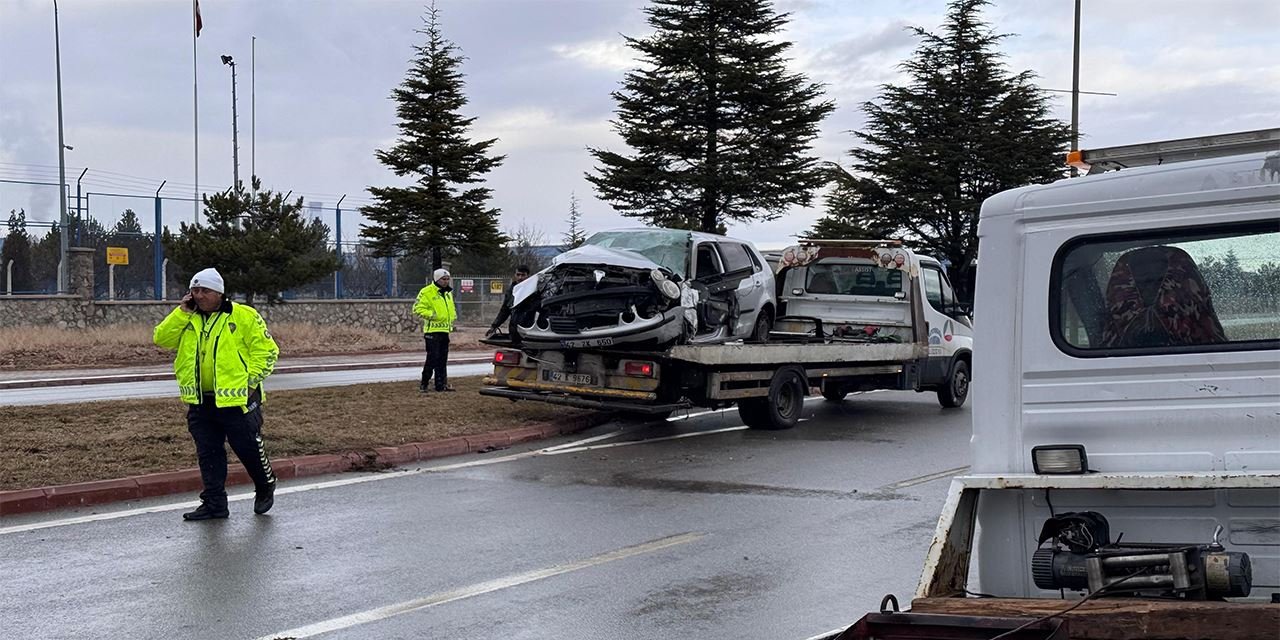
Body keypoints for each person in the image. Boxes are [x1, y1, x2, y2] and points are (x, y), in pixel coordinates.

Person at [152, 268, 280, 521]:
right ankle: (214, 504)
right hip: (201, 401)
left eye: (205, 291)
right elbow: (161, 339)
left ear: (219, 293)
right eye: (195, 290)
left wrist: (250, 383)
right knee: (208, 453)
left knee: (248, 449)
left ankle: (265, 485)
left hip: (238, 400)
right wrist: (181, 312)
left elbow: (267, 352)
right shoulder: (188, 317)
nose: (199, 296)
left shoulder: (243, 316)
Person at [414, 268, 458, 393]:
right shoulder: (426, 292)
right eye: (443, 279)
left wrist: (453, 316)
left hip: (444, 330)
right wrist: (432, 315)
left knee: (442, 359)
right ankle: (424, 383)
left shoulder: (448, 293)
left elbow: (450, 308)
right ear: (437, 279)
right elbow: (417, 308)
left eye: (447, 279)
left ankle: (441, 384)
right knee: (432, 358)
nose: (446, 281)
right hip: (432, 331)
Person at [485, 265, 531, 339]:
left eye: (523, 275)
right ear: (515, 275)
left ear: (528, 276)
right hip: (514, 330)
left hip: (530, 329)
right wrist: (494, 326)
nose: (520, 277)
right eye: (518, 275)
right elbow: (505, 310)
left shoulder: (533, 291)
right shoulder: (511, 291)